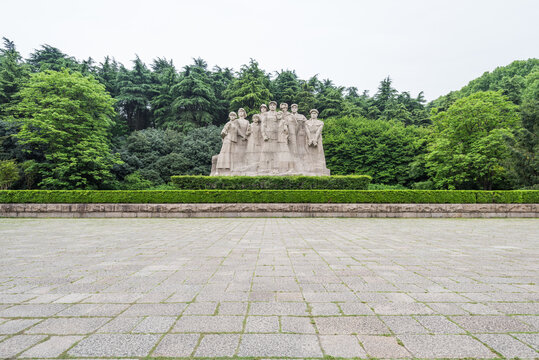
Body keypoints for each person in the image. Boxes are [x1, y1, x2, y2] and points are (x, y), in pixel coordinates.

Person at [305, 109, 329, 175]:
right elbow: (307, 131)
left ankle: (320, 167)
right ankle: (309, 166)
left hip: (318, 138)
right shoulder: (306, 122)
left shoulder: (320, 122)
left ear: (317, 114)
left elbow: (319, 131)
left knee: (319, 152)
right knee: (308, 152)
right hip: (309, 137)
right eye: (312, 113)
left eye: (315, 113)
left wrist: (315, 139)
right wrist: (310, 139)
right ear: (310, 114)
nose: (313, 114)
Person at [259, 101, 279, 172]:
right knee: (265, 151)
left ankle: (275, 168)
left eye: (274, 105)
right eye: (271, 105)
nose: (272, 106)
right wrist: (264, 135)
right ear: (269, 106)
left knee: (275, 152)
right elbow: (263, 125)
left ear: (276, 106)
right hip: (267, 135)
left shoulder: (278, 114)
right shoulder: (266, 114)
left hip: (276, 135)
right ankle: (264, 168)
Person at [290, 103, 307, 171]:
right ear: (291, 108)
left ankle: (302, 166)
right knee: (292, 151)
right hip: (291, 135)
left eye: (295, 107)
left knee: (300, 150)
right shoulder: (288, 116)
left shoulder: (301, 116)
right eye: (293, 107)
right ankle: (292, 167)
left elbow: (306, 124)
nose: (294, 108)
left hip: (300, 135)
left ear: (297, 108)